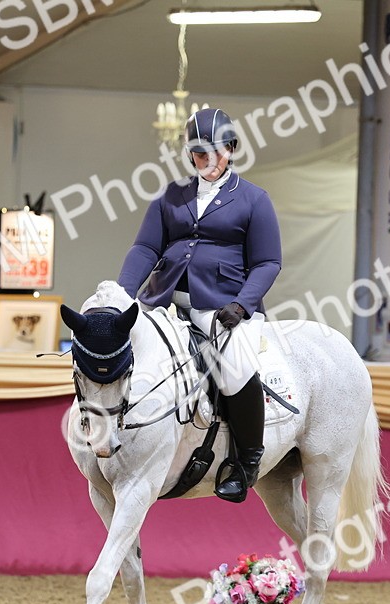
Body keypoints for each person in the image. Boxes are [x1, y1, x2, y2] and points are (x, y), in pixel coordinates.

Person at [117, 107, 282, 503]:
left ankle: (245, 462)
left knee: (236, 364)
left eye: (215, 153)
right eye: (199, 154)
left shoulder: (254, 199)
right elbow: (145, 247)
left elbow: (268, 262)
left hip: (223, 306)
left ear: (231, 149)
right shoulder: (170, 196)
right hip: (163, 300)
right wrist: (122, 294)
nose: (208, 162)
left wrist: (242, 305)